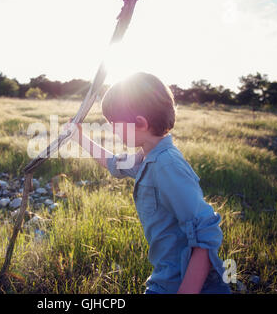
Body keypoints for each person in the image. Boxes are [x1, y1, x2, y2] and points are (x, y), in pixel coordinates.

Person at [64, 72, 231, 294]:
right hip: (166, 275)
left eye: (114, 123)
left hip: (183, 284)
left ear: (141, 123)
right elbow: (113, 163)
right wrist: (80, 138)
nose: (112, 129)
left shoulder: (166, 165)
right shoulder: (148, 155)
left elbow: (206, 233)